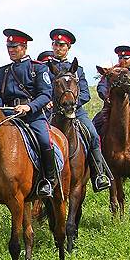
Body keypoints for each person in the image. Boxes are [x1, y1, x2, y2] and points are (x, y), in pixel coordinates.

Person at [0, 29, 56, 197]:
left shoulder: (38, 68)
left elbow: (45, 95)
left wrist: (29, 107)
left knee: (44, 140)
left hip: (32, 115)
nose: (11, 50)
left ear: (24, 47)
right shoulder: (3, 71)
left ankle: (48, 180)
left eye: (15, 47)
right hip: (9, 114)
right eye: (9, 47)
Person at [49, 28, 112, 191]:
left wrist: (74, 103)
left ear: (68, 48)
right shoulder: (44, 68)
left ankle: (99, 174)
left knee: (93, 134)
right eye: (56, 44)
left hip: (76, 111)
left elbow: (85, 93)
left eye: (62, 45)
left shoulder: (79, 70)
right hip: (52, 112)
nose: (58, 48)